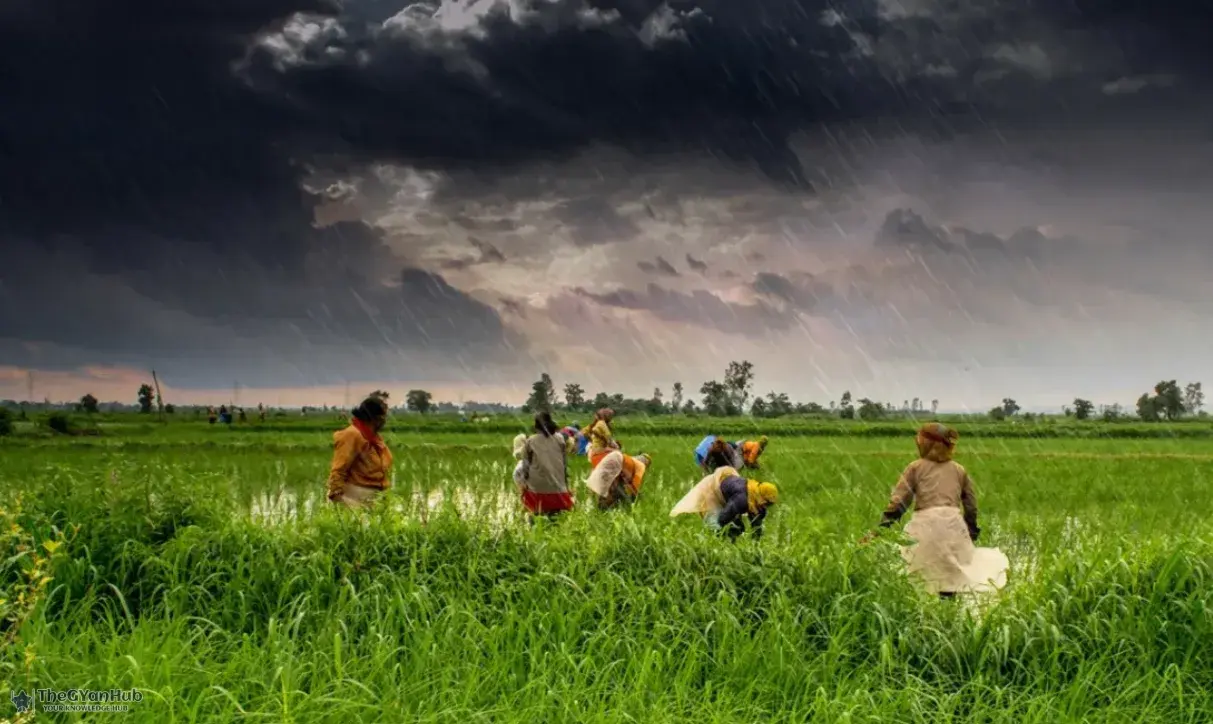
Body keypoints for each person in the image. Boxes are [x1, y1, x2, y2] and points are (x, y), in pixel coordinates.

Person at [867, 423, 1008, 599]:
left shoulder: (915, 467)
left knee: (919, 577)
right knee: (950, 579)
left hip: (925, 527)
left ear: (927, 444)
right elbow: (971, 506)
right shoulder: (959, 470)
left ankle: (925, 618)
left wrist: (880, 529)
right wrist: (970, 532)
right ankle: (949, 616)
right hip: (953, 526)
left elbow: (899, 503)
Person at [671, 466, 778, 540]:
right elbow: (723, 518)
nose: (766, 506)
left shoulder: (756, 499)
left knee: (737, 528)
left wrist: (756, 544)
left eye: (769, 504)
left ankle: (730, 545)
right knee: (717, 527)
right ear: (762, 497)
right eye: (767, 503)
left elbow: (756, 526)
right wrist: (724, 532)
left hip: (727, 494)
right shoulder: (742, 499)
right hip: (711, 493)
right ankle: (714, 551)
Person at [326, 396, 393, 508]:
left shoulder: (373, 438)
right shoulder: (352, 435)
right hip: (353, 498)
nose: (384, 421)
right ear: (373, 418)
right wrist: (337, 497)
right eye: (382, 417)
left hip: (373, 498)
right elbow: (339, 468)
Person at [517, 412, 574, 520]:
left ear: (536, 425)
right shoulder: (560, 439)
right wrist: (566, 484)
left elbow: (525, 465)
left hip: (537, 487)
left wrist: (524, 483)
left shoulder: (531, 441)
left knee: (536, 516)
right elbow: (564, 463)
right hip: (557, 485)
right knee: (557, 519)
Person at [585, 450, 651, 509]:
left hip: (609, 463)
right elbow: (634, 486)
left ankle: (603, 504)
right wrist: (637, 497)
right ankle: (607, 504)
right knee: (622, 493)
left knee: (611, 488)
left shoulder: (629, 459)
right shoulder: (640, 466)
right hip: (614, 468)